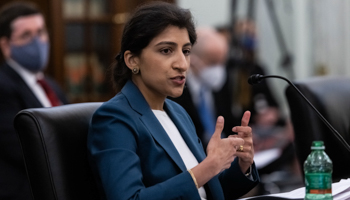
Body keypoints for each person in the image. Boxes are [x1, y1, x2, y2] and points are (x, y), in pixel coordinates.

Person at [88, 2, 259, 200]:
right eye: (166, 51)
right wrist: (209, 166)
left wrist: (242, 165)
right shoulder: (114, 118)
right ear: (132, 60)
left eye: (186, 51)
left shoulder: (178, 112)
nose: (182, 64)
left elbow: (206, 192)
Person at [0, 2, 69, 199]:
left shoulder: (51, 85)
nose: (37, 41)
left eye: (40, 32)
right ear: (5, 45)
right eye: (26, 35)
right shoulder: (3, 86)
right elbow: (21, 148)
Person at [170, 26, 238, 148]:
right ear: (192, 60)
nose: (218, 70)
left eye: (222, 62)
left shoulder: (222, 85)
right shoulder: (174, 92)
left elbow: (230, 124)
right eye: (213, 62)